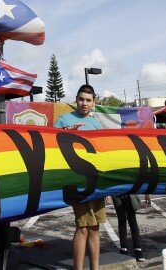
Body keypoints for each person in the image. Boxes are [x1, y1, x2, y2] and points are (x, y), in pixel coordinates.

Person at [54, 84, 105, 270]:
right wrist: (68, 133)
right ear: (76, 99)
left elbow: (102, 154)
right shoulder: (62, 120)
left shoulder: (97, 124)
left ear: (94, 103)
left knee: (95, 227)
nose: (84, 103)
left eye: (88, 100)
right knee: (82, 226)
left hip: (96, 182)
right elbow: (51, 146)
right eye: (81, 99)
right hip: (76, 181)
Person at [111, 194, 149, 261]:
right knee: (122, 221)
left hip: (129, 194)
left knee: (132, 221)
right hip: (116, 194)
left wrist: (147, 194)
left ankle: (137, 249)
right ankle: (124, 249)